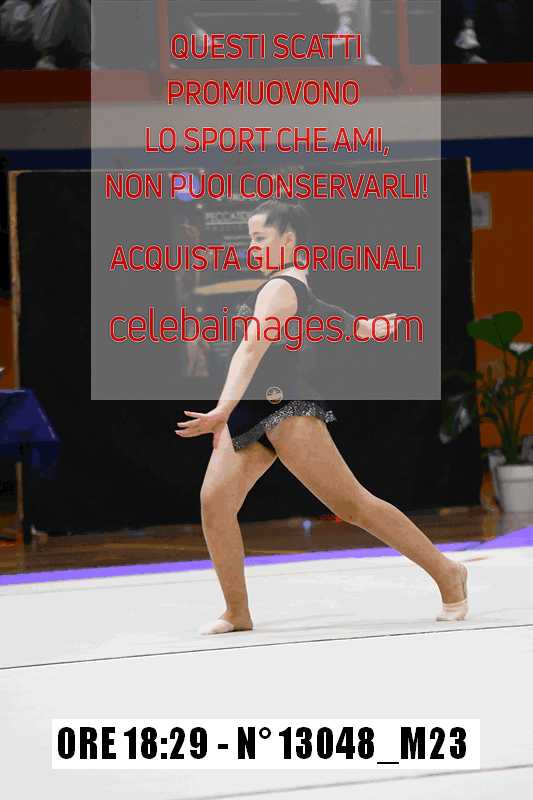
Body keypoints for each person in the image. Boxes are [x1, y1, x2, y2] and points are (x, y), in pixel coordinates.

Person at [175, 201, 469, 635]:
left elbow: (250, 350)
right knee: (215, 501)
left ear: (288, 239)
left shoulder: (280, 287)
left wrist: (221, 411)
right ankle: (237, 611)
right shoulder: (289, 285)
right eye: (250, 238)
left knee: (353, 505)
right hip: (253, 411)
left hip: (286, 409)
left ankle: (448, 573)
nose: (251, 247)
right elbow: (321, 309)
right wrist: (363, 327)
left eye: (259, 238)